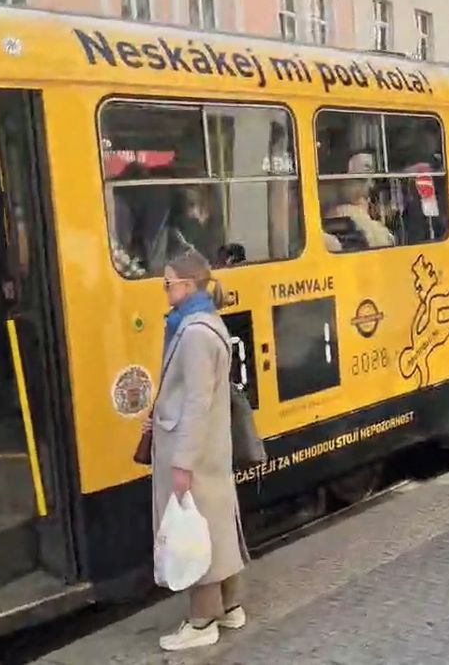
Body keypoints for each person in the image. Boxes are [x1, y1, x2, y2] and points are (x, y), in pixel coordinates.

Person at [146, 249, 249, 652]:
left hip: (195, 450)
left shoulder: (193, 334)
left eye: (168, 283)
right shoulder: (206, 323)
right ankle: (230, 606)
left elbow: (196, 401)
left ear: (187, 285)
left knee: (194, 535)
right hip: (210, 447)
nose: (164, 289)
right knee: (216, 527)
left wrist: (182, 462)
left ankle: (202, 620)